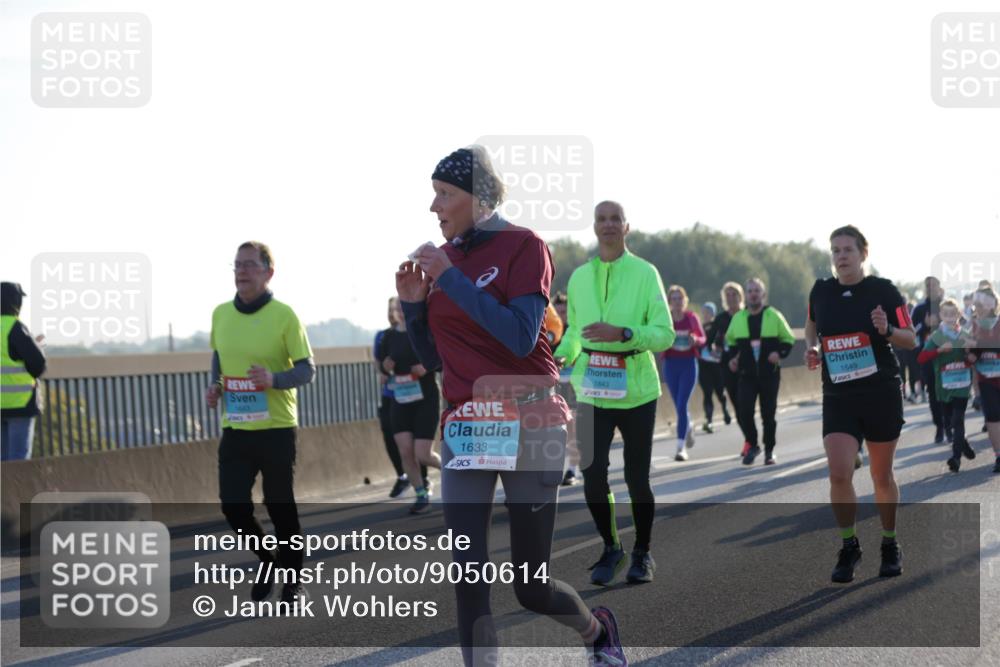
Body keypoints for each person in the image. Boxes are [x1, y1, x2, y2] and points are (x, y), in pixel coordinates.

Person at [398, 146, 626, 666]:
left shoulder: (525, 246)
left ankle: (596, 632)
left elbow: (522, 337)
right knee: (469, 576)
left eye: (444, 194)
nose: (434, 207)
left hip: (531, 417)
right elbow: (437, 356)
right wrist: (415, 307)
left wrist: (451, 280)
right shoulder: (444, 259)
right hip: (468, 423)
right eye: (433, 194)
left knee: (530, 585)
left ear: (478, 200)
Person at [555, 199, 675, 587]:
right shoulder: (578, 278)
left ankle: (643, 551)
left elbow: (664, 333)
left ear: (626, 227)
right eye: (601, 219)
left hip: (637, 390)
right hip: (592, 390)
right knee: (592, 478)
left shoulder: (645, 273)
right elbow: (575, 332)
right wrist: (561, 355)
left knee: (637, 479)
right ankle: (611, 547)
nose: (608, 225)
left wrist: (624, 334)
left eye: (615, 219)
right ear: (594, 227)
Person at [804, 225, 916, 583]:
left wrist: (885, 331)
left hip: (880, 392)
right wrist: (814, 348)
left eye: (847, 250)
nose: (840, 256)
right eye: (835, 250)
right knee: (839, 472)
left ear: (863, 254)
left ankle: (889, 543)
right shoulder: (821, 291)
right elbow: (811, 325)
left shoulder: (883, 291)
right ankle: (849, 545)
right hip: (839, 395)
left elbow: (910, 339)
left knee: (881, 475)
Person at [205, 241, 315, 605]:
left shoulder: (285, 315)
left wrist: (273, 379)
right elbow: (220, 357)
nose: (242, 271)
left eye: (250, 265)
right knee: (233, 506)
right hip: (235, 428)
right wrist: (216, 386)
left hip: (276, 428)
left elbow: (306, 370)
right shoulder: (221, 313)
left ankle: (294, 581)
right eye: (237, 265)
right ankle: (268, 560)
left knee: (279, 504)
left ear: (269, 272)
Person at [377, 297, 441, 513]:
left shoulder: (424, 331)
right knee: (405, 451)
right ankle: (421, 494)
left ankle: (455, 472)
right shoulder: (388, 336)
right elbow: (382, 369)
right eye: (396, 309)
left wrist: (427, 367)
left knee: (423, 454)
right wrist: (385, 369)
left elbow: (441, 358)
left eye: (403, 308)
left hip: (426, 398)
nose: (400, 312)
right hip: (400, 399)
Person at [725, 278, 795, 465]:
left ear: (763, 295)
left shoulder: (773, 315)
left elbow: (789, 339)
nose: (753, 294)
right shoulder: (738, 318)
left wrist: (779, 353)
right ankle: (753, 444)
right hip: (746, 374)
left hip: (769, 374)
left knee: (768, 414)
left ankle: (769, 450)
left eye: (757, 291)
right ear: (746, 295)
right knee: (744, 412)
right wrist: (733, 358)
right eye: (750, 291)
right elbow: (730, 342)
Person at [916, 299, 976, 471]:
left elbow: (974, 356)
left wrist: (970, 354)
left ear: (958, 315)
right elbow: (921, 358)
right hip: (943, 387)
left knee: (958, 420)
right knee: (950, 422)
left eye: (953, 314)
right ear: (941, 316)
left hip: (962, 385)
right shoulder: (936, 336)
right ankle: (963, 444)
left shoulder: (965, 334)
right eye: (946, 314)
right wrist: (939, 351)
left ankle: (956, 458)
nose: (950, 317)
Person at [1, 282, 46, 461]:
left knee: (2, 461)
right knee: (18, 461)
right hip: (20, 403)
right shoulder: (15, 327)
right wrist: (39, 346)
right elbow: (38, 364)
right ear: (16, 302)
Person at [661, 285, 705, 461]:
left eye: (680, 299)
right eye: (674, 299)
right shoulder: (666, 319)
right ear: (669, 302)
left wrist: (695, 339)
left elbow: (703, 338)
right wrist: (665, 340)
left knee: (681, 404)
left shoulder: (691, 318)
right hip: (671, 365)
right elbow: (658, 337)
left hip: (688, 364)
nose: (677, 302)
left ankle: (680, 448)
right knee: (679, 404)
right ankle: (688, 425)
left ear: (685, 301)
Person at [966, 286, 1000, 473]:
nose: (981, 306)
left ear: (994, 303)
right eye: (979, 303)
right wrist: (969, 354)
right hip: (986, 378)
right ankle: (998, 456)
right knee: (993, 417)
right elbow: (968, 353)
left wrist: (977, 345)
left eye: (986, 302)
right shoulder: (973, 325)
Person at [912, 276, 947, 442]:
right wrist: (924, 324)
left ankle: (950, 425)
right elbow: (911, 331)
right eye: (927, 285)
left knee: (948, 391)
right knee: (933, 392)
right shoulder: (919, 309)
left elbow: (959, 326)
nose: (930, 288)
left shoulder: (947, 306)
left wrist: (940, 322)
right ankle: (939, 426)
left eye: (933, 285)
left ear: (939, 287)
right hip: (928, 357)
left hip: (948, 357)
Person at [552, 292, 581, 486]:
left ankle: (572, 470)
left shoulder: (574, 332)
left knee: (572, 429)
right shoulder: (549, 331)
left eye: (565, 311)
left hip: (574, 384)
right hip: (554, 386)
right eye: (559, 311)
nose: (562, 315)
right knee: (554, 431)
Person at [715, 281, 748, 453]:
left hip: (747, 365)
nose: (731, 298)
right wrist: (714, 348)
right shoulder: (720, 319)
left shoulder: (747, 315)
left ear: (740, 296)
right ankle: (749, 440)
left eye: (734, 294)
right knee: (737, 406)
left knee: (746, 405)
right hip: (726, 367)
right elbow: (712, 340)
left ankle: (752, 440)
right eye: (727, 295)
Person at [698, 301, 731, 434]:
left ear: (713, 313)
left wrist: (719, 348)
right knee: (707, 393)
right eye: (704, 312)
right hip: (703, 364)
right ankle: (709, 420)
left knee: (719, 392)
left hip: (717, 363)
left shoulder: (718, 326)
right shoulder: (699, 327)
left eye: (709, 312)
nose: (706, 315)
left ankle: (724, 409)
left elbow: (725, 342)